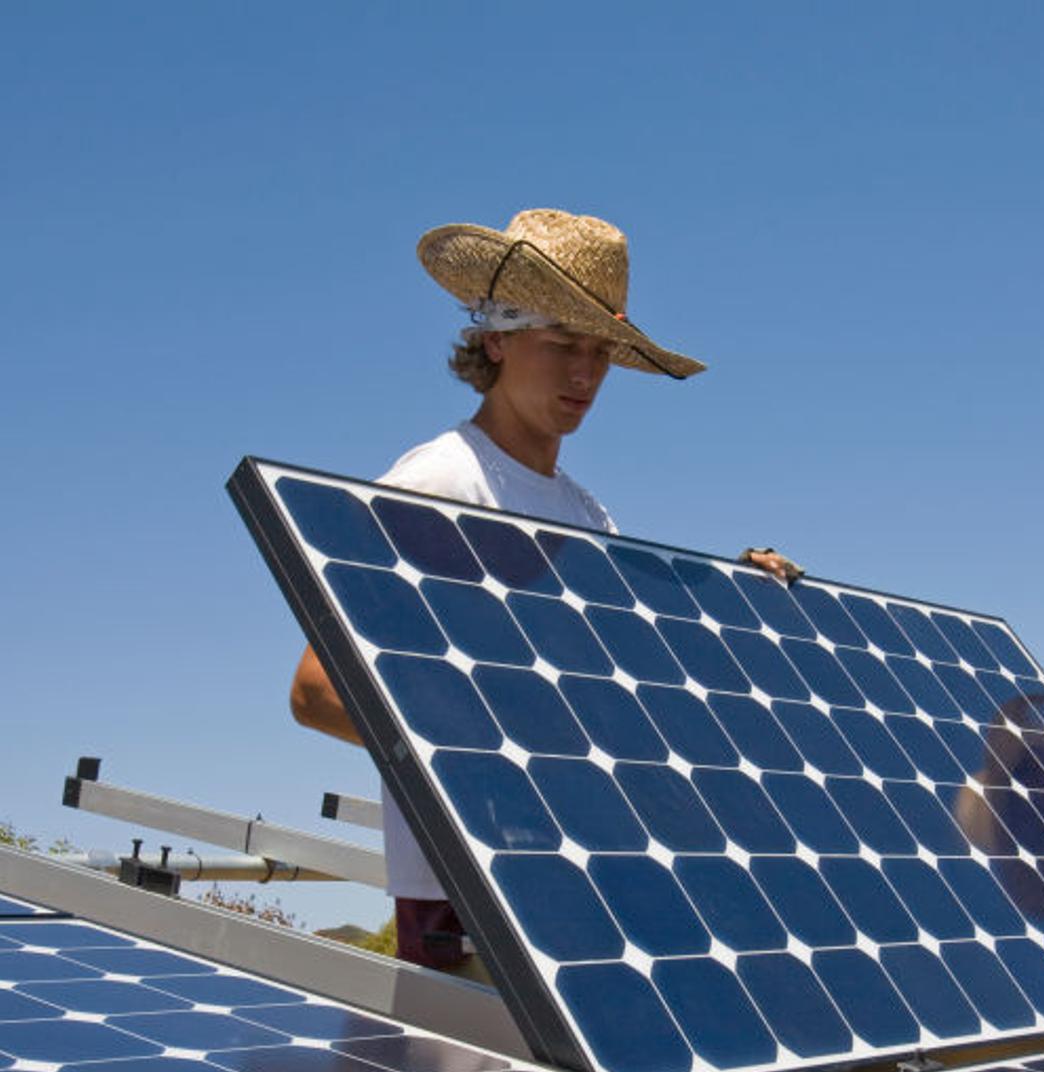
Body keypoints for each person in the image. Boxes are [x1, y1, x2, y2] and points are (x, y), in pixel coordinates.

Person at [291, 207, 798, 969]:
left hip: (585, 879)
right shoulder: (444, 484)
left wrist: (729, 611)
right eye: (561, 345)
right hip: (468, 891)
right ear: (495, 338)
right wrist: (503, 757)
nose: (585, 375)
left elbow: (608, 696)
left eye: (599, 352)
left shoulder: (585, 513)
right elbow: (319, 692)